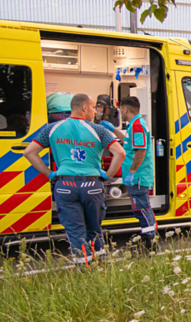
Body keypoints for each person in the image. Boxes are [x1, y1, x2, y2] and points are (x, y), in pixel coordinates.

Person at [22, 93, 126, 266]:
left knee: (76, 231)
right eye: (93, 108)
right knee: (94, 229)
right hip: (92, 184)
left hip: (65, 186)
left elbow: (29, 152)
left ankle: (82, 268)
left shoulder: (52, 128)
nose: (94, 112)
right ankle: (100, 264)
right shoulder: (98, 129)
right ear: (84, 108)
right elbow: (120, 153)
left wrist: (50, 174)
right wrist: (108, 175)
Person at [107, 96, 157, 250]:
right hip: (138, 175)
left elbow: (140, 151)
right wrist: (113, 130)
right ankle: (148, 238)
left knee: (141, 208)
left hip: (139, 176)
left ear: (125, 109)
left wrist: (132, 173)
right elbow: (130, 143)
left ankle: (149, 242)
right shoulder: (134, 125)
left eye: (120, 109)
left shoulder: (137, 125)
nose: (120, 112)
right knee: (141, 207)